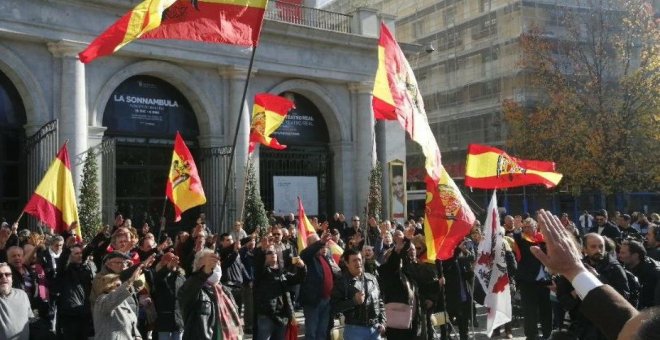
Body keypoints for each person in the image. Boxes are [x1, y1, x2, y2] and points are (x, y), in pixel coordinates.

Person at [531, 209, 651, 339]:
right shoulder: (571, 267)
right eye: (593, 247)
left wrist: (597, 281)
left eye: (601, 247)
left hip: (607, 329)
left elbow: (623, 298)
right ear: (585, 249)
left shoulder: (615, 268)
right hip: (582, 328)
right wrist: (575, 291)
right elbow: (564, 301)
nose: (598, 250)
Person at [178, 249, 242, 340]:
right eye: (211, 264)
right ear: (199, 266)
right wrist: (204, 273)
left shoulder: (225, 290)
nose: (215, 267)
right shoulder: (192, 287)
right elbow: (188, 291)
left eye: (217, 264)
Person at [331, 249, 385, 340]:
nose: (358, 263)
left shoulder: (372, 278)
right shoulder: (341, 282)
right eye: (354, 260)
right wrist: (354, 301)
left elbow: (380, 302)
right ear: (347, 263)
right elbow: (334, 307)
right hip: (354, 330)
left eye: (359, 259)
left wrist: (383, 322)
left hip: (375, 329)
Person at [513, 217, 552, 340]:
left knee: (546, 309)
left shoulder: (543, 239)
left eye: (529, 226)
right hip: (527, 281)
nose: (527, 228)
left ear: (536, 227)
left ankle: (547, 334)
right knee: (529, 311)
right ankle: (531, 335)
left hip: (545, 281)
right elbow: (517, 238)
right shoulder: (522, 240)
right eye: (525, 227)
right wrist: (517, 228)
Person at [91, 266, 144, 340]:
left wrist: (137, 335)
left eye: (121, 285)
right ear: (108, 286)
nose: (121, 287)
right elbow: (112, 300)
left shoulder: (123, 301)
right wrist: (130, 281)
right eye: (118, 285)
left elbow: (131, 322)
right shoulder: (101, 300)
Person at [299, 233, 336, 340]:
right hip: (313, 302)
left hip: (326, 301)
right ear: (310, 245)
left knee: (322, 332)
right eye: (317, 243)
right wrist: (320, 243)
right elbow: (305, 254)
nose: (321, 245)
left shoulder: (323, 257)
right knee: (311, 333)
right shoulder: (307, 257)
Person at [618, 240, 660, 309]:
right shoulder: (626, 266)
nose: (619, 255)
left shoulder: (652, 273)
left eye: (623, 253)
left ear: (635, 255)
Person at [0, 262, 32, 340]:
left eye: (7, 274)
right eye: (0, 275)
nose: (4, 277)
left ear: (12, 278)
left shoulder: (22, 295)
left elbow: (30, 318)